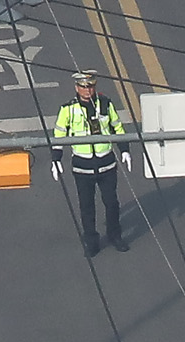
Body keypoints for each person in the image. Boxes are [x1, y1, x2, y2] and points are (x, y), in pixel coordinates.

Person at [50, 70, 130, 257]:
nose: (88, 90)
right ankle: (91, 241)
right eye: (84, 87)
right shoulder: (68, 109)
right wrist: (56, 159)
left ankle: (114, 235)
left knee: (111, 203)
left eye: (91, 86)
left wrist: (124, 149)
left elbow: (117, 127)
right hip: (82, 165)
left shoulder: (105, 104)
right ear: (77, 88)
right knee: (87, 206)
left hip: (107, 163)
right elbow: (59, 135)